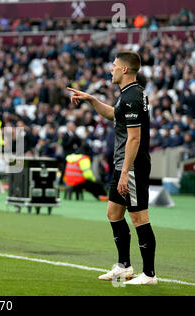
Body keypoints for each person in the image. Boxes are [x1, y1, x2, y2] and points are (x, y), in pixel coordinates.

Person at [67, 51, 157, 285]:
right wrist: (91, 100)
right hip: (123, 164)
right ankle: (124, 267)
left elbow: (134, 139)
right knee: (114, 213)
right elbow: (114, 116)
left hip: (133, 165)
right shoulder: (127, 95)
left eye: (114, 65)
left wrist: (126, 172)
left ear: (124, 69)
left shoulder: (133, 97)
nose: (111, 69)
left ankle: (149, 274)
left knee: (139, 217)